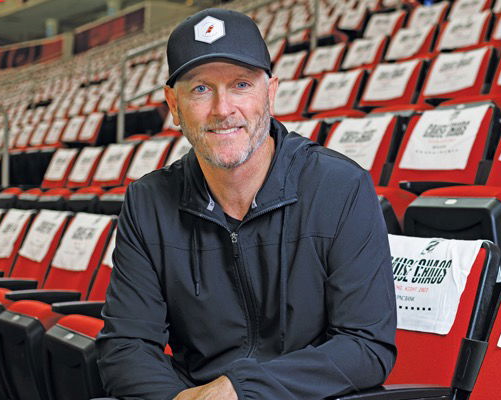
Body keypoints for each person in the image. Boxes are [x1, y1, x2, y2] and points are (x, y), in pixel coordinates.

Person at [95, 7, 397, 400]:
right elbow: (125, 345)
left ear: (270, 92)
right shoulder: (147, 202)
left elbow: (366, 346)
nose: (223, 109)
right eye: (200, 89)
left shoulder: (340, 187)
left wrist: (241, 390)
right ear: (173, 105)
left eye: (241, 84)